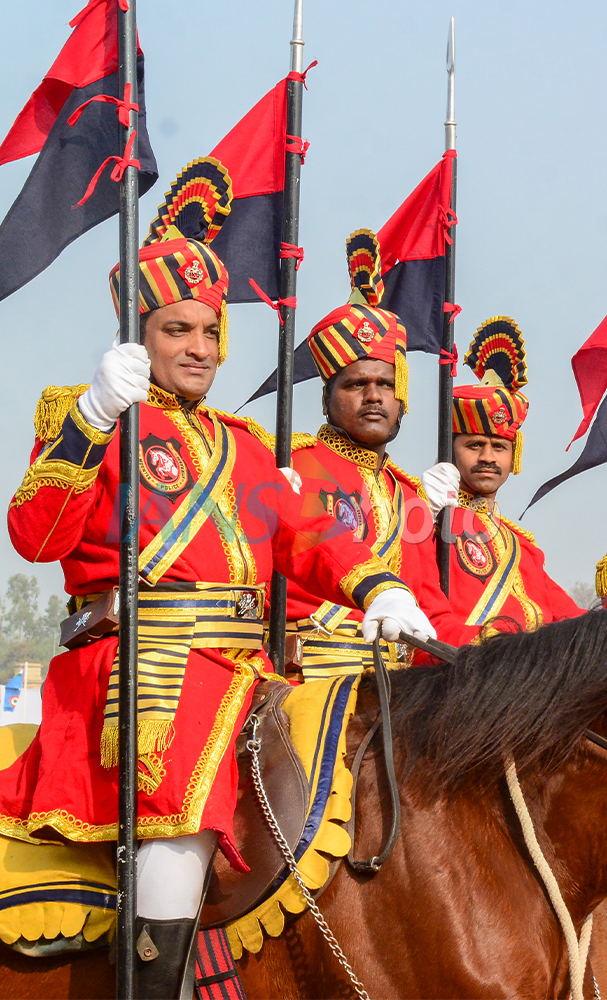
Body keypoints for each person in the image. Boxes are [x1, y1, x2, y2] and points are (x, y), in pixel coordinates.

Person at [0, 160, 433, 998]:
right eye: (175, 331)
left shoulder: (242, 446)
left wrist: (379, 588)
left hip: (246, 672)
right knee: (180, 817)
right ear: (139, 333)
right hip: (142, 671)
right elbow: (33, 533)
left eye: (208, 332)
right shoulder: (88, 415)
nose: (197, 348)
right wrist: (90, 420)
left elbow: (306, 536)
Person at [280, 230, 476, 681]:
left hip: (395, 688)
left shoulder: (410, 496)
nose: (373, 397)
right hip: (307, 679)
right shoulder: (292, 465)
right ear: (326, 400)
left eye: (386, 385)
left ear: (401, 397)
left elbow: (433, 617)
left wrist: (502, 650)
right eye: (354, 384)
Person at [421, 316, 585, 631]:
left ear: (514, 456)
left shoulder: (524, 548)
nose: (487, 457)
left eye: (499, 447)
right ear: (450, 448)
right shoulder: (426, 516)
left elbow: (569, 620)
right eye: (474, 445)